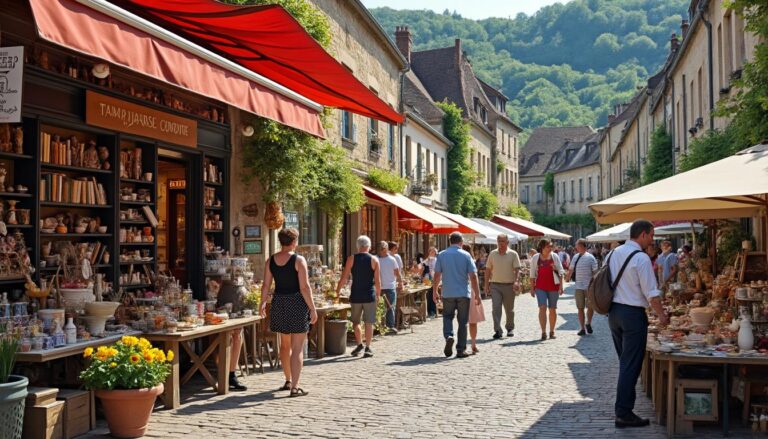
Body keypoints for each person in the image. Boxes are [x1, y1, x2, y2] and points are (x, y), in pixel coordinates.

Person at [608, 219, 669, 428]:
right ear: (642, 235)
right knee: (630, 365)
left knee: (626, 363)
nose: (652, 240)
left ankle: (624, 410)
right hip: (632, 315)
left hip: (614, 312)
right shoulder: (641, 258)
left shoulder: (614, 253)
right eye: (651, 235)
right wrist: (661, 315)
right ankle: (623, 413)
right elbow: (651, 293)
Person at [260, 228, 318, 397]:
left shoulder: (270, 260)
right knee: (297, 347)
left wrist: (262, 303)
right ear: (294, 242)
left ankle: (287, 380)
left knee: (284, 345)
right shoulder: (298, 260)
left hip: (279, 302)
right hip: (296, 303)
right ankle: (295, 386)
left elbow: (266, 285)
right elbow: (305, 287)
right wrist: (312, 308)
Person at [433, 232, 480, 358]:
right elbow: (473, 276)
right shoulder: (466, 255)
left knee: (447, 317)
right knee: (463, 322)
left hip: (448, 292)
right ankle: (461, 350)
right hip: (463, 293)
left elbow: (437, 275)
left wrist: (435, 291)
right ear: (461, 243)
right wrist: (478, 295)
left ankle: (449, 335)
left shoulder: (442, 255)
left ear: (450, 242)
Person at [336, 235, 380, 358]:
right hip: (369, 294)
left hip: (356, 294)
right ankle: (368, 347)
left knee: (356, 322)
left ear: (358, 246)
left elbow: (344, 277)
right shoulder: (374, 260)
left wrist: (338, 290)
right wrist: (378, 293)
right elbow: (377, 280)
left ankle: (360, 343)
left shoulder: (351, 259)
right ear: (368, 246)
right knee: (369, 322)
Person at [484, 234, 521, 339]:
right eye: (499, 241)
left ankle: (510, 328)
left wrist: (517, 281)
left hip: (509, 285)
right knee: (496, 308)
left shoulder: (513, 254)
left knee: (509, 309)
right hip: (495, 285)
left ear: (507, 242)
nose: (501, 243)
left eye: (503, 241)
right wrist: (486, 284)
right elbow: (488, 270)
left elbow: (517, 269)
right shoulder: (492, 254)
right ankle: (498, 330)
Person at [529, 239, 565, 340]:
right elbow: (532, 274)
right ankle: (543, 332)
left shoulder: (555, 256)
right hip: (540, 287)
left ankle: (552, 331)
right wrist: (532, 288)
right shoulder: (536, 258)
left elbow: (561, 272)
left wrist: (561, 287)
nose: (550, 248)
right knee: (542, 307)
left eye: (550, 246)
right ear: (542, 247)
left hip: (553, 286)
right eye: (548, 246)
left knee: (552, 309)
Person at [566, 238, 598, 336]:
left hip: (589, 287)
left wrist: (594, 284)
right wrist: (567, 278)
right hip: (578, 286)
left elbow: (595, 272)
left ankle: (588, 323)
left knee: (590, 307)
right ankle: (582, 328)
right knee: (580, 308)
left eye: (577, 245)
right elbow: (571, 269)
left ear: (583, 246)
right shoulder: (575, 257)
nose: (576, 247)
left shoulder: (591, 257)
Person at [462, 244, 485, 354]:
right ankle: (473, 344)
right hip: (471, 291)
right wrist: (477, 295)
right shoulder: (470, 260)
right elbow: (474, 278)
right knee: (473, 321)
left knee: (462, 322)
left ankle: (462, 345)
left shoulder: (459, 260)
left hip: (460, 291)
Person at [378, 241, 403, 334]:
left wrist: (400, 283)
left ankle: (390, 326)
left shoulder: (392, 259)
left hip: (390, 286)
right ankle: (380, 326)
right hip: (379, 287)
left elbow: (397, 272)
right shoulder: (376, 259)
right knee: (380, 307)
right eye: (380, 249)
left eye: (383, 249)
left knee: (390, 307)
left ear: (386, 249)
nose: (381, 251)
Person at [423, 247, 438, 318]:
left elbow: (438, 270)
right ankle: (429, 311)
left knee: (432, 294)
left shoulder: (437, 260)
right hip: (427, 279)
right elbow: (421, 266)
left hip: (434, 279)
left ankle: (433, 311)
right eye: (431, 252)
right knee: (428, 295)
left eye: (433, 252)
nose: (432, 253)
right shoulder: (427, 260)